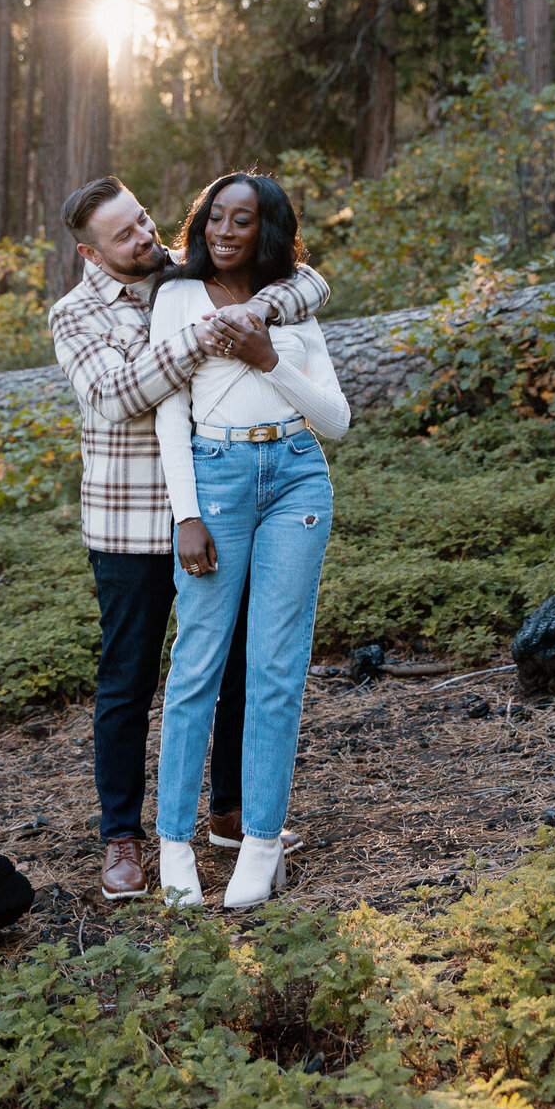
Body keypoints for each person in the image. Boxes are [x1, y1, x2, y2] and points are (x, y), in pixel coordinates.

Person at [48, 175, 330, 901]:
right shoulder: (75, 314)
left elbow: (307, 283)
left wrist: (258, 311)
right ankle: (122, 838)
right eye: (124, 235)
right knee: (132, 681)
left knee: (238, 664)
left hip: (218, 498)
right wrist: (209, 335)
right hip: (132, 521)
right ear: (90, 251)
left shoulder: (186, 273)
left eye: (143, 220)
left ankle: (231, 812)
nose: (144, 238)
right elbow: (114, 398)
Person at [150, 172, 350, 912]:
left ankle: (262, 845)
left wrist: (271, 360)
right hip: (216, 482)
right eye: (214, 218)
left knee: (275, 670)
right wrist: (186, 515)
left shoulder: (288, 299)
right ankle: (174, 842)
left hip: (298, 478)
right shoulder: (176, 297)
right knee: (197, 664)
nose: (223, 232)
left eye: (240, 221)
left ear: (263, 231)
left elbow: (336, 420)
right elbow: (171, 413)